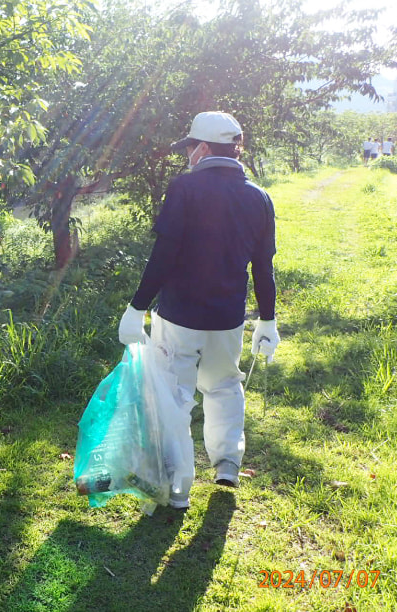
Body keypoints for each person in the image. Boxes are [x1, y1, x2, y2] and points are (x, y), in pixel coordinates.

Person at [118, 111, 279, 509]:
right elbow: (263, 267)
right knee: (224, 385)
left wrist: (137, 307)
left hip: (180, 316)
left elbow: (164, 254)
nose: (187, 155)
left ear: (203, 148)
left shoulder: (185, 188)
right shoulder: (259, 197)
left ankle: (178, 486)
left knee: (174, 395)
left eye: (189, 148)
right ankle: (227, 464)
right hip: (228, 318)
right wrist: (267, 319)